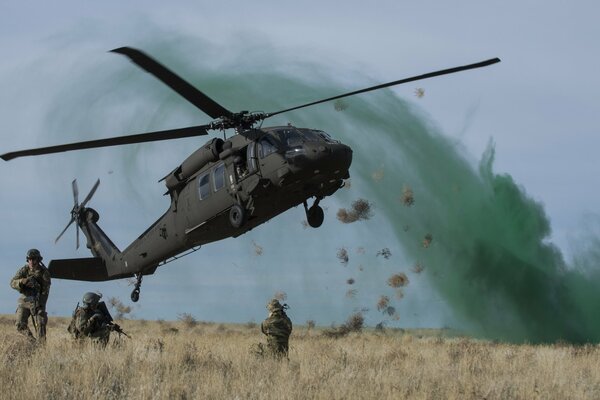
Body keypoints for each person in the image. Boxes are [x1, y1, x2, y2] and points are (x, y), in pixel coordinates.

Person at [10, 248, 51, 341]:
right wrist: (22, 281)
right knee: (20, 325)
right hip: (25, 300)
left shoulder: (44, 273)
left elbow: (45, 291)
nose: (31, 261)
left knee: (40, 324)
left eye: (33, 259)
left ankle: (41, 348)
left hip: (37, 301)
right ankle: (32, 342)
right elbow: (12, 282)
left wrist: (40, 305)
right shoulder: (24, 270)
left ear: (38, 260)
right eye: (29, 259)